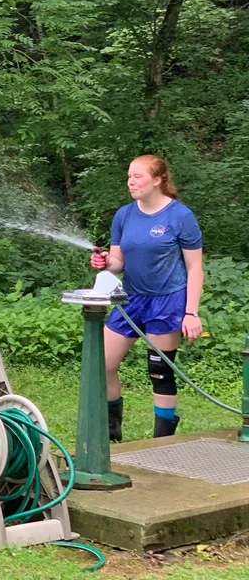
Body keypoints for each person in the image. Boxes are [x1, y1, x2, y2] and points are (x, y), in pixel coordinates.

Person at [91, 154, 203, 439]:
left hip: (167, 301)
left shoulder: (180, 216)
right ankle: (111, 434)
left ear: (157, 180)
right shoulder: (124, 215)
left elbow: (195, 268)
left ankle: (162, 442)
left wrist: (191, 313)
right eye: (129, 176)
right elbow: (118, 263)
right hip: (130, 299)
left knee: (159, 373)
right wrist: (105, 263)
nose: (131, 181)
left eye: (137, 176)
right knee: (102, 365)